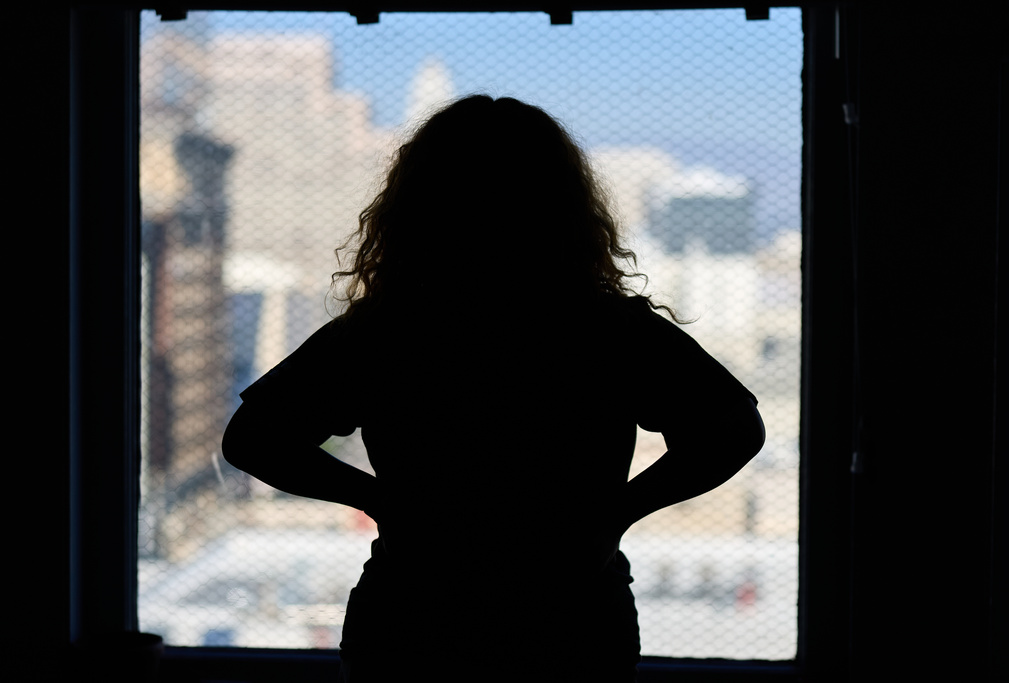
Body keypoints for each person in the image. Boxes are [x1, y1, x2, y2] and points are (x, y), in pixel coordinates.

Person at [221, 95, 765, 683]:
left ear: (419, 204)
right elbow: (734, 428)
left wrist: (384, 501)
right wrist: (618, 512)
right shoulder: (610, 329)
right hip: (571, 616)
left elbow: (253, 438)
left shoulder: (388, 330)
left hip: (416, 615)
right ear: (563, 204)